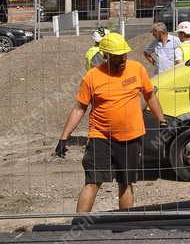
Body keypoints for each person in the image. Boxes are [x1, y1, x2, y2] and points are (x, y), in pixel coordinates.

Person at [54, 32, 172, 213]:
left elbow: (150, 96)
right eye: (117, 57)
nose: (122, 59)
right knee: (93, 181)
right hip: (100, 136)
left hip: (131, 136)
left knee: (126, 182)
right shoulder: (92, 77)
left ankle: (124, 225)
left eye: (124, 55)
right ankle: (77, 225)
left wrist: (162, 121)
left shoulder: (137, 69)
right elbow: (79, 108)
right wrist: (64, 137)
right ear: (105, 56)